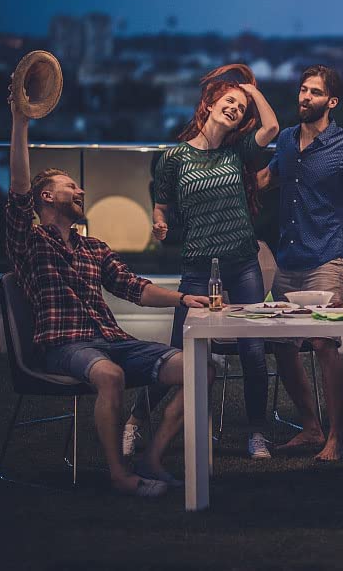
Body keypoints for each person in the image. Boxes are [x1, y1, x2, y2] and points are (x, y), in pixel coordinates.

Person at [5, 86, 212, 497]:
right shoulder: (30, 241)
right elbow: (18, 188)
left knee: (199, 368)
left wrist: (182, 298)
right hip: (65, 344)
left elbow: (133, 288)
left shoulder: (93, 247)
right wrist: (21, 121)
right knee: (110, 375)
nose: (80, 191)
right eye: (70, 187)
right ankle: (120, 477)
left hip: (112, 341)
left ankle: (151, 458)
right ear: (47, 197)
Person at [130, 64, 281, 460]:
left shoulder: (239, 150)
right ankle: (135, 420)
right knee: (179, 353)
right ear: (210, 104)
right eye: (229, 101)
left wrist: (252, 90)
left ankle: (257, 433)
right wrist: (159, 223)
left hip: (242, 263)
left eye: (241, 106)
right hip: (198, 267)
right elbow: (161, 208)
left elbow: (271, 128)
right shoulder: (174, 158)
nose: (235, 108)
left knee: (252, 350)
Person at [256, 65, 343, 462]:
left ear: (331, 101)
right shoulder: (284, 141)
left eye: (314, 92)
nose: (304, 97)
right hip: (288, 258)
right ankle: (310, 426)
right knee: (282, 345)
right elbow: (266, 179)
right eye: (302, 90)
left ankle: (335, 436)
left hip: (328, 258)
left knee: (324, 343)